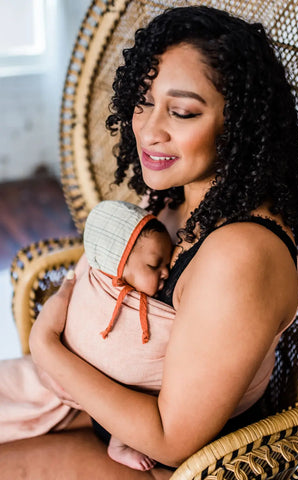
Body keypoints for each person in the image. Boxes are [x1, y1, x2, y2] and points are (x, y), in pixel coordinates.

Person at [0, 5, 298, 479]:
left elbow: (171, 439)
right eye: (143, 101)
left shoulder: (241, 254)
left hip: (159, 464)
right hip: (99, 420)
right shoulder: (182, 198)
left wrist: (48, 348)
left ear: (240, 124)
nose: (148, 129)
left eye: (183, 111)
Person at [0, 199, 173, 472]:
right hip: (48, 367)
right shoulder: (100, 271)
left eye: (166, 263)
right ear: (117, 264)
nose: (165, 271)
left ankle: (118, 444)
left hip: (98, 389)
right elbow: (108, 234)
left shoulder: (142, 304)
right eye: (154, 266)